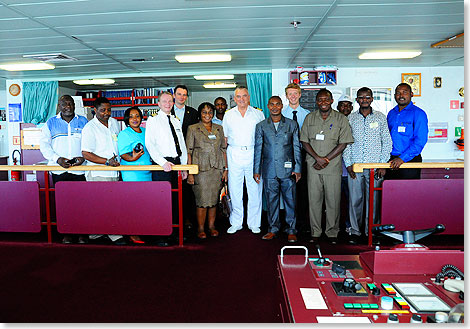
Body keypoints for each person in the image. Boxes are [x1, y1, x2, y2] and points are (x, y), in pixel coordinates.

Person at [300, 89, 353, 244]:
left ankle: (332, 232)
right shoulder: (310, 118)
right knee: (314, 200)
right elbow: (304, 141)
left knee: (333, 201)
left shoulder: (340, 119)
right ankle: (315, 232)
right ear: (317, 102)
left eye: (326, 99)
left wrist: (326, 159)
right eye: (320, 100)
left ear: (331, 101)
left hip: (332, 167)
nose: (323, 102)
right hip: (313, 166)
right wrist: (317, 158)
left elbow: (343, 143)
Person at [342, 87, 392, 244]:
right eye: (361, 97)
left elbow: (387, 142)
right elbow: (346, 143)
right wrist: (349, 164)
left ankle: (371, 232)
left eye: (367, 97)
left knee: (374, 201)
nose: (364, 99)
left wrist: (383, 165)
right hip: (355, 167)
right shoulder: (350, 118)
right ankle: (355, 232)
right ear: (357, 100)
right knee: (355, 200)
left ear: (371, 99)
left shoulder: (380, 117)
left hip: (375, 168)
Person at [39, 95, 88, 244]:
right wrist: (57, 159)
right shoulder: (51, 123)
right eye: (64, 104)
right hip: (59, 170)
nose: (67, 106)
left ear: (74, 105)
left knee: (81, 203)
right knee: (63, 204)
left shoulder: (83, 121)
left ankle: (81, 233)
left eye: (70, 103)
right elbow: (44, 145)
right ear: (59, 106)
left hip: (79, 170)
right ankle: (66, 233)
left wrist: (83, 157)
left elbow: (88, 143)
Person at [253, 96, 301, 243]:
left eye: (277, 104)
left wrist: (297, 168)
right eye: (272, 104)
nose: (274, 107)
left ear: (282, 105)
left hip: (288, 170)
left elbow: (296, 147)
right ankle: (273, 229)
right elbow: (258, 148)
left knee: (290, 201)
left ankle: (291, 229)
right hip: (269, 170)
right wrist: (257, 170)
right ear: (268, 106)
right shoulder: (261, 126)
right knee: (271, 201)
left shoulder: (291, 124)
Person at [146, 91, 188, 246]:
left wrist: (184, 166)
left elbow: (181, 145)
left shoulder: (175, 120)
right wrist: (162, 162)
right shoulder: (153, 121)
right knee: (162, 201)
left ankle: (175, 233)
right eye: (164, 101)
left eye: (170, 101)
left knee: (177, 201)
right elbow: (150, 144)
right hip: (161, 165)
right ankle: (161, 235)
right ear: (158, 103)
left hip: (176, 164)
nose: (168, 104)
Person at [81, 97, 125, 245]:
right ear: (95, 110)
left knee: (110, 203)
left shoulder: (113, 123)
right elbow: (86, 153)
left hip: (113, 172)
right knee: (103, 204)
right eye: (102, 110)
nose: (106, 113)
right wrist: (106, 162)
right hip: (98, 172)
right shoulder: (89, 128)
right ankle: (113, 234)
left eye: (109, 110)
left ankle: (96, 232)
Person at [222, 86, 265, 234]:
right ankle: (236, 222)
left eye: (244, 96)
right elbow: (225, 139)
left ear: (249, 97)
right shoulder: (228, 115)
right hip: (234, 153)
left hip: (253, 153)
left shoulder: (258, 114)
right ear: (234, 99)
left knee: (255, 189)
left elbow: (263, 137)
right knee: (235, 190)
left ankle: (254, 223)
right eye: (239, 96)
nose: (242, 99)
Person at [186, 102, 228, 239]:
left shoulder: (219, 128)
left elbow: (223, 149)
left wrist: (225, 169)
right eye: (204, 112)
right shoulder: (193, 129)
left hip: (216, 169)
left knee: (214, 200)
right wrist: (190, 172)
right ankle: (200, 228)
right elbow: (189, 151)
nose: (207, 115)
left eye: (210, 112)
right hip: (200, 170)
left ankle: (211, 226)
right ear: (200, 114)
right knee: (202, 201)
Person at [117, 106, 152, 244]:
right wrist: (133, 158)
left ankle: (143, 229)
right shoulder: (124, 134)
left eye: (137, 116)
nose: (134, 119)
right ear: (127, 119)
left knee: (145, 203)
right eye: (131, 116)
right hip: (132, 173)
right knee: (133, 203)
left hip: (148, 172)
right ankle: (132, 232)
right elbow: (124, 154)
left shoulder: (146, 131)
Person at [282, 83, 311, 235]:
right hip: (286, 156)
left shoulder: (307, 114)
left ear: (300, 95)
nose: (292, 96)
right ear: (286, 96)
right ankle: (287, 222)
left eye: (295, 93)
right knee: (287, 190)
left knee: (302, 191)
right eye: (290, 94)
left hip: (304, 155)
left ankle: (302, 223)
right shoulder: (281, 114)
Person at [170, 85, 199, 230]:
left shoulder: (193, 113)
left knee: (188, 189)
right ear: (174, 95)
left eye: (184, 94)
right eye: (179, 94)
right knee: (173, 189)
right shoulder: (166, 112)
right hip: (171, 155)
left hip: (188, 153)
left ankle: (187, 218)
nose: (182, 97)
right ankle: (174, 219)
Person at [386, 83, 429, 179]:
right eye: (398, 93)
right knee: (391, 192)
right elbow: (386, 137)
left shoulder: (418, 113)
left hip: (410, 161)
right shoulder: (391, 113)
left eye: (405, 92)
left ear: (411, 94)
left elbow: (420, 141)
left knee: (409, 192)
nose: (401, 96)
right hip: (391, 161)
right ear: (394, 96)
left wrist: (402, 159)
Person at [337, 94, 354, 234]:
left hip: (351, 171)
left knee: (351, 200)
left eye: (348, 105)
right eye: (343, 105)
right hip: (335, 169)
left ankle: (349, 225)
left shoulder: (356, 120)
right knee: (334, 201)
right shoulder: (333, 120)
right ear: (337, 107)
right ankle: (334, 227)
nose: (345, 108)